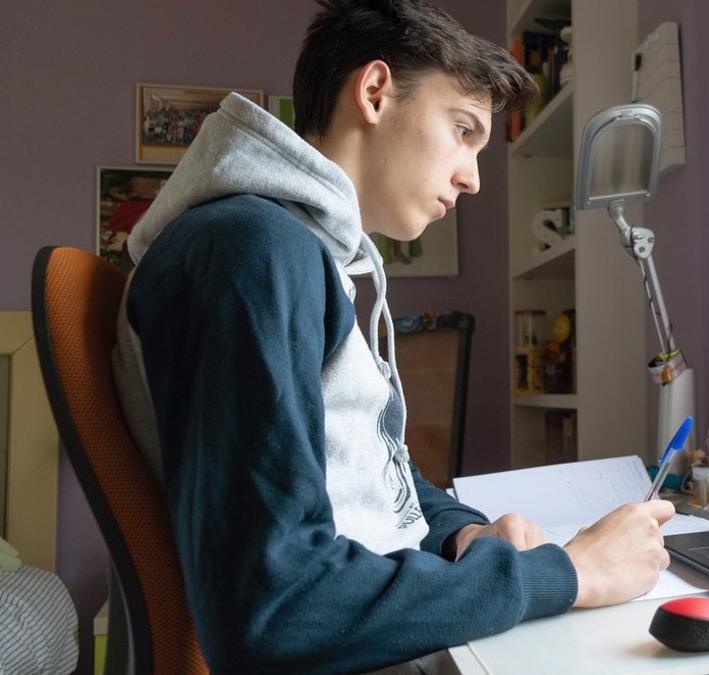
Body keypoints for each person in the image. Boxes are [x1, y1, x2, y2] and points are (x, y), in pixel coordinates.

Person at [111, 1, 675, 671]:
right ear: (375, 92)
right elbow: (275, 608)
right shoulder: (253, 252)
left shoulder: (295, 251)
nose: (472, 177)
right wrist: (570, 573)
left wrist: (461, 531)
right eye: (462, 129)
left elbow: (378, 471)